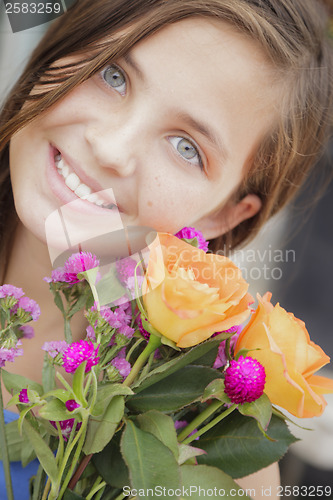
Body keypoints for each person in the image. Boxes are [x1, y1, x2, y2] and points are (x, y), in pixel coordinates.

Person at [0, 0, 332, 498]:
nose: (112, 148)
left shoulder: (204, 461)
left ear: (223, 214)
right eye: (113, 75)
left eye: (186, 148)